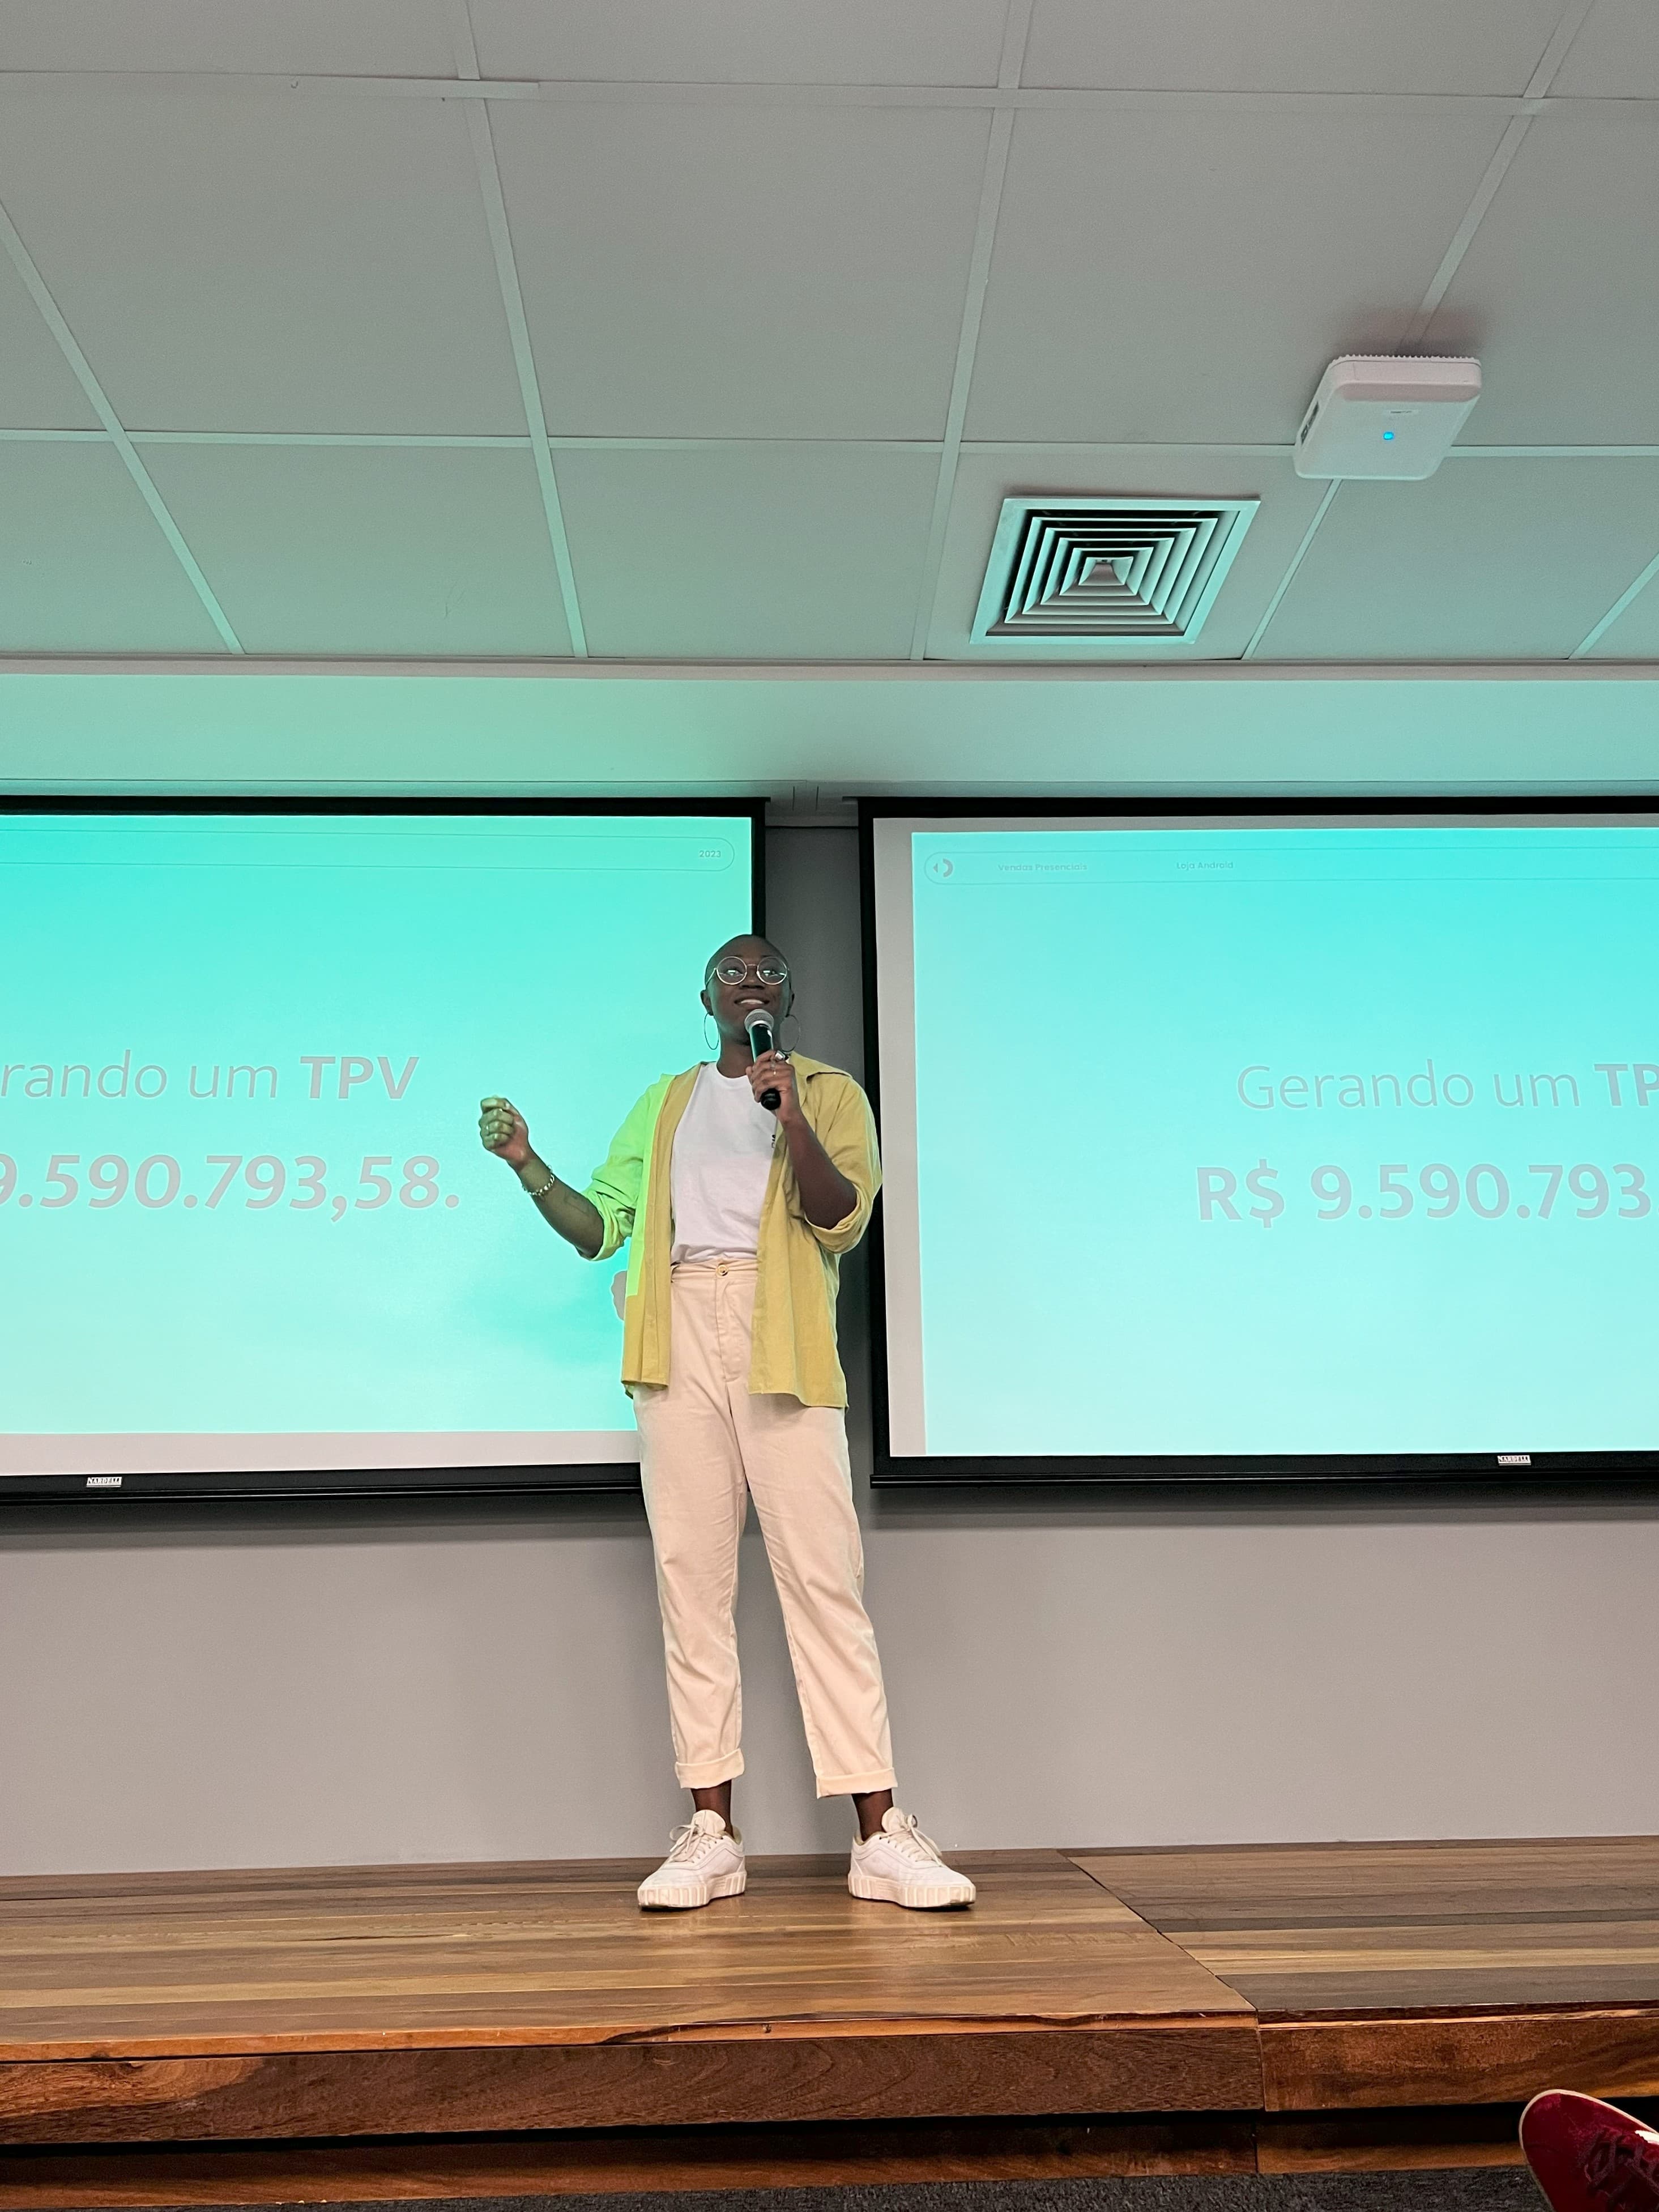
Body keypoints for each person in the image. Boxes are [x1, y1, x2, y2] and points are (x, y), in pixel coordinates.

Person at [479, 935, 974, 1914]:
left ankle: (879, 1836)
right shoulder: (666, 1101)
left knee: (824, 1581)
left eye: (766, 970)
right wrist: (527, 1162)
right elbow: (600, 1231)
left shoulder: (826, 1090)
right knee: (690, 1584)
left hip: (777, 1330)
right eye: (731, 970)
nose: (749, 980)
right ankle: (712, 1831)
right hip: (676, 1326)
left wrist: (788, 1118)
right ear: (703, 995)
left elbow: (841, 1216)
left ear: (789, 992)